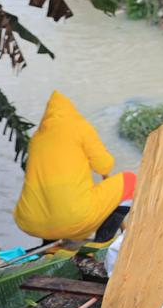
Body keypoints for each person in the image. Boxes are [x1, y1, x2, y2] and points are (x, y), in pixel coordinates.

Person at [13, 91, 136, 242]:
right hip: (72, 217)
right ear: (72, 111)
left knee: (53, 202)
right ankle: (102, 242)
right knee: (130, 181)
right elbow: (104, 166)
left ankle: (51, 244)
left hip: (30, 221)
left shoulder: (36, 138)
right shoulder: (79, 127)